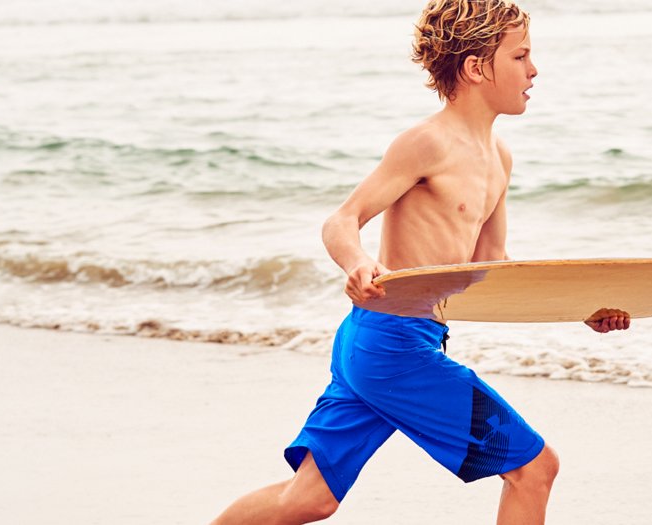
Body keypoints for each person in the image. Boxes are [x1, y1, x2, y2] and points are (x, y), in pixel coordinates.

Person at [211, 1, 629, 523]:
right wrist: (358, 263)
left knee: (309, 498)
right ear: (476, 68)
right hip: (393, 346)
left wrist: (582, 308)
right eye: (520, 56)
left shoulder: (498, 157)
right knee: (535, 468)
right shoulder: (427, 143)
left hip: (381, 343)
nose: (534, 70)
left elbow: (492, 268)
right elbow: (342, 219)